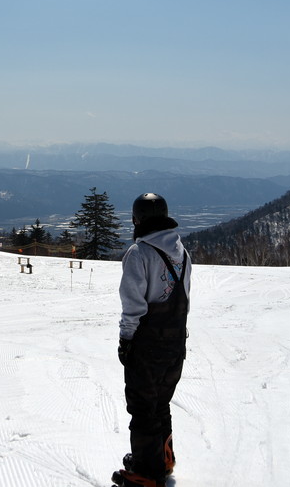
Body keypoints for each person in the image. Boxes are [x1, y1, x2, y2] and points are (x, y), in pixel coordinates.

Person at [113, 193, 190, 487]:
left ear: (138, 220)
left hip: (148, 344)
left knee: (143, 407)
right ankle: (162, 458)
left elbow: (133, 304)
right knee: (161, 403)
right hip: (176, 342)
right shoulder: (182, 252)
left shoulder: (139, 253)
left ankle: (147, 473)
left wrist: (126, 338)